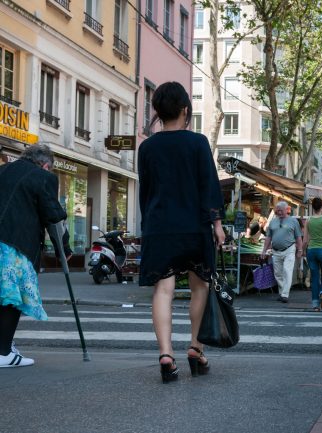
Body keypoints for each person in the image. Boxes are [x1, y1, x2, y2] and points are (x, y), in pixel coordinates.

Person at [137, 81, 226, 383]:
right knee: (200, 286)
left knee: (163, 290)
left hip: (159, 226)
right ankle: (195, 348)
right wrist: (217, 223)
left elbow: (145, 192)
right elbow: (209, 186)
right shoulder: (198, 142)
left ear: (158, 112)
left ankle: (165, 355)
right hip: (194, 226)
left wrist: (146, 225)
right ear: (185, 110)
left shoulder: (147, 147)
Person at [0, 144, 67, 367]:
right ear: (45, 165)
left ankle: (4, 346)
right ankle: (3, 353)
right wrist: (63, 251)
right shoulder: (43, 177)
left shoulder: (3, 169)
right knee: (12, 296)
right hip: (15, 244)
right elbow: (53, 217)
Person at [261, 201, 303, 303]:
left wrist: (300, 250)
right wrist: (264, 250)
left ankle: (285, 295)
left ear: (286, 210)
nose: (279, 212)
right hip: (275, 251)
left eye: (281, 210)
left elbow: (298, 237)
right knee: (278, 273)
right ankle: (282, 292)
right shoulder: (273, 222)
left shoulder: (293, 221)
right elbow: (268, 237)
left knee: (287, 271)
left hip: (289, 249)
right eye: (277, 210)